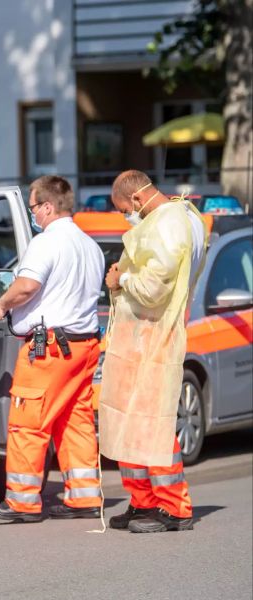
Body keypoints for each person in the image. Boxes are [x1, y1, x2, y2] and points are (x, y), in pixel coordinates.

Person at [0, 175, 105, 523]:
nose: (32, 213)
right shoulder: (90, 246)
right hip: (83, 346)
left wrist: (1, 305)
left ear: (48, 207)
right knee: (76, 420)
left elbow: (26, 286)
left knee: (27, 422)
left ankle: (22, 502)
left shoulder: (46, 243)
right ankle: (83, 498)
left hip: (49, 348)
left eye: (34, 206)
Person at [100, 170, 206, 534]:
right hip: (142, 338)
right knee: (133, 422)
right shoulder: (179, 217)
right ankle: (143, 501)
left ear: (135, 200)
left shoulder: (167, 224)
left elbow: (153, 288)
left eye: (122, 210)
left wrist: (121, 279)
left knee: (152, 426)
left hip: (153, 338)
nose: (124, 217)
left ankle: (174, 508)